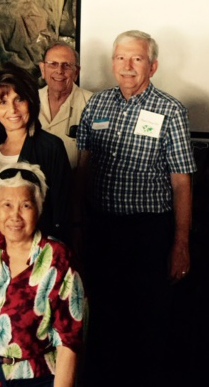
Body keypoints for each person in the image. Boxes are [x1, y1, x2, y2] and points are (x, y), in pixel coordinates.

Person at [76, 30, 196, 387]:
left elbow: (181, 183)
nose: (127, 66)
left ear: (153, 66)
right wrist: (79, 227)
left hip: (148, 236)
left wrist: (181, 244)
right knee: (102, 321)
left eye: (137, 59)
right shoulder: (97, 105)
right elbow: (83, 167)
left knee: (147, 326)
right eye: (120, 58)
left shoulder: (170, 110)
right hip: (102, 230)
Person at [0, 163, 84, 387]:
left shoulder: (58, 259)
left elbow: (69, 343)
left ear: (38, 209)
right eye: (7, 205)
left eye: (25, 205)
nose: (15, 215)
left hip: (32, 379)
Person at [0, 63, 71, 244]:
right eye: (3, 102)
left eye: (19, 99)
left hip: (30, 254)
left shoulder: (50, 147)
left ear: (31, 101)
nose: (12, 110)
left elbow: (61, 214)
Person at [38, 42, 92, 168]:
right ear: (42, 69)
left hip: (73, 184)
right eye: (53, 64)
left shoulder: (93, 104)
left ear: (76, 72)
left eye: (66, 65)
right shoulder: (29, 101)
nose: (59, 71)